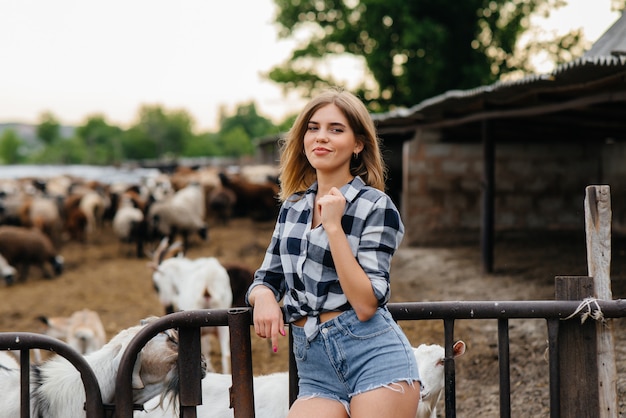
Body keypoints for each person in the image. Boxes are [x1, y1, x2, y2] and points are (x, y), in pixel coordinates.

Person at [245, 87, 420, 418]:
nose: (321, 137)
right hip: (315, 371)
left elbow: (367, 303)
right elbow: (266, 278)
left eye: (336, 129)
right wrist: (265, 298)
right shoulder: (293, 207)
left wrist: (334, 227)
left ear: (358, 144)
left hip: (373, 357)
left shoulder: (375, 206)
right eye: (313, 128)